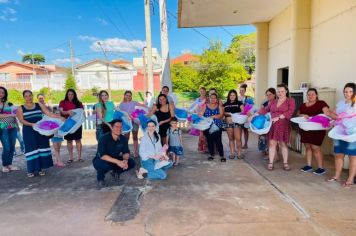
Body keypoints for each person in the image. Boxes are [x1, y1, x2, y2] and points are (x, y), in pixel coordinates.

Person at [16, 90, 63, 177]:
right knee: (31, 149)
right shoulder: (20, 108)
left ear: (32, 96)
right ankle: (30, 170)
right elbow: (21, 120)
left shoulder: (39, 105)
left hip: (41, 130)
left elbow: (49, 113)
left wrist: (59, 117)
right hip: (29, 131)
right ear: (24, 97)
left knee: (41, 148)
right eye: (26, 96)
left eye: (30, 95)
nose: (28, 98)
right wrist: (32, 124)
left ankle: (40, 168)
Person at [256, 84, 296, 171]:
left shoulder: (290, 100)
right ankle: (271, 162)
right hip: (273, 125)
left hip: (283, 125)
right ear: (276, 92)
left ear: (286, 91)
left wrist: (278, 117)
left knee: (283, 144)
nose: (280, 93)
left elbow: (290, 111)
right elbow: (265, 109)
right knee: (271, 144)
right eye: (278, 91)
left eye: (282, 91)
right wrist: (254, 115)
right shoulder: (273, 102)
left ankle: (285, 163)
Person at [327, 83, 356, 187]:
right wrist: (330, 114)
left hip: (352, 134)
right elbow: (333, 115)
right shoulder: (340, 103)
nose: (348, 94)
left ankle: (350, 179)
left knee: (353, 157)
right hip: (339, 132)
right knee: (338, 155)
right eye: (346, 91)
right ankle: (337, 176)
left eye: (350, 91)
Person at [93, 119, 136, 187]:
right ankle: (100, 178)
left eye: (120, 127)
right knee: (104, 165)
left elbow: (126, 152)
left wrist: (125, 160)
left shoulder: (123, 138)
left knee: (131, 162)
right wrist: (118, 162)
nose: (119, 129)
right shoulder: (103, 138)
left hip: (114, 159)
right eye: (116, 127)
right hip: (101, 159)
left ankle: (115, 172)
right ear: (111, 127)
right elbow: (103, 155)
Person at [297, 88, 331, 175]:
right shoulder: (303, 105)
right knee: (307, 147)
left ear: (316, 95)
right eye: (308, 94)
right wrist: (303, 115)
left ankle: (321, 168)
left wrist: (333, 119)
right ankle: (308, 165)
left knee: (316, 148)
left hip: (316, 129)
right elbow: (298, 114)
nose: (310, 96)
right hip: (305, 128)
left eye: (312, 94)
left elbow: (326, 113)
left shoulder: (321, 103)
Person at [59, 89, 84, 163]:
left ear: (74, 95)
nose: (70, 96)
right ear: (66, 95)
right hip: (67, 124)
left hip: (77, 124)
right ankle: (71, 158)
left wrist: (74, 113)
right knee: (69, 141)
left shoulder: (79, 103)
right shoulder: (62, 102)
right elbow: (61, 111)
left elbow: (81, 113)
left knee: (78, 140)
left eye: (72, 94)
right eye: (69, 94)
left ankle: (79, 157)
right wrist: (68, 112)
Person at [119, 90, 146, 157]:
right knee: (126, 137)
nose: (128, 97)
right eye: (127, 95)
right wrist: (126, 117)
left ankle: (136, 151)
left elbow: (142, 106)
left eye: (129, 95)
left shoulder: (134, 102)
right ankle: (125, 151)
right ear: (124, 96)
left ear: (131, 96)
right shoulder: (121, 104)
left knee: (135, 137)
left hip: (134, 121)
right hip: (127, 122)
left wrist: (149, 107)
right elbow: (120, 113)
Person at [199, 93, 225, 162]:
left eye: (214, 98)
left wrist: (213, 116)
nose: (213, 99)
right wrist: (200, 115)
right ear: (209, 99)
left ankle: (222, 155)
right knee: (209, 141)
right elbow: (200, 114)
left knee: (218, 141)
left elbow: (221, 115)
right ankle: (211, 155)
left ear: (216, 99)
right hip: (207, 126)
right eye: (211, 98)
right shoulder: (205, 106)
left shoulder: (219, 106)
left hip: (217, 126)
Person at [0, 86, 20, 173]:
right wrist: (11, 115)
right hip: (3, 128)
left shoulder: (10, 103)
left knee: (12, 147)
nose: (1, 94)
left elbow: (15, 114)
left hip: (13, 127)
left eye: (3, 93)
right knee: (7, 147)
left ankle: (10, 164)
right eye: (0, 92)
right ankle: (4, 165)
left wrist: (17, 125)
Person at [223, 89, 244, 159]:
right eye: (230, 95)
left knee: (238, 139)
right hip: (228, 124)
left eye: (233, 95)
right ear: (229, 96)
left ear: (236, 96)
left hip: (237, 124)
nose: (232, 96)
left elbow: (243, 112)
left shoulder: (239, 103)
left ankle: (239, 153)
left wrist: (236, 114)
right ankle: (232, 153)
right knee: (231, 139)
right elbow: (222, 113)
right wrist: (227, 113)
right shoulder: (225, 104)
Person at [258, 88, 277, 157]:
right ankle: (267, 153)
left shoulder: (277, 102)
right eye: (267, 95)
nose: (268, 96)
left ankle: (274, 155)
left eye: (270, 94)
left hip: (274, 123)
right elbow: (261, 111)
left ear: (274, 95)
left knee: (273, 140)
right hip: (265, 123)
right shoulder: (265, 103)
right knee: (265, 138)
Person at [190, 87, 208, 153]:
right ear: (199, 92)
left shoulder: (207, 99)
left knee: (205, 134)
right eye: (201, 91)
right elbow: (193, 108)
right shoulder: (197, 99)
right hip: (199, 118)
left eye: (203, 91)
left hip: (206, 118)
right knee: (201, 134)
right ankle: (201, 148)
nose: (202, 92)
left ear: (205, 91)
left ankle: (205, 147)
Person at [238, 83, 253, 149]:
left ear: (245, 91)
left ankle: (246, 144)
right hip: (239, 116)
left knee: (245, 130)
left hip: (246, 116)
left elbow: (252, 107)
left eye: (243, 90)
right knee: (239, 130)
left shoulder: (248, 98)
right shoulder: (237, 98)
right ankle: (240, 143)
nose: (241, 91)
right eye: (240, 90)